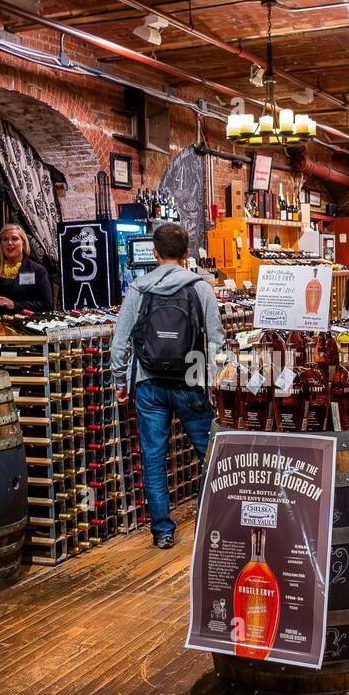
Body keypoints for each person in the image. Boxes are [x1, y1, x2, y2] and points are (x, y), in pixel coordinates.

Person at [111, 223, 226, 550]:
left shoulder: (138, 289)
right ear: (187, 254)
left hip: (148, 383)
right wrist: (216, 382)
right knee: (210, 454)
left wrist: (121, 381)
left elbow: (119, 345)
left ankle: (162, 530)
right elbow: (217, 341)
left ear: (155, 253)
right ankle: (210, 520)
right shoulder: (200, 288)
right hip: (191, 380)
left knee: (154, 458)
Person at [0, 224, 54, 316]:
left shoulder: (37, 270)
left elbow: (46, 305)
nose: (9, 243)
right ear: (0, 244)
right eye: (5, 239)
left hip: (22, 327)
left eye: (14, 239)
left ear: (24, 244)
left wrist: (15, 305)